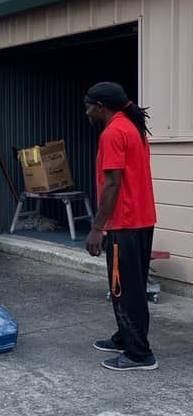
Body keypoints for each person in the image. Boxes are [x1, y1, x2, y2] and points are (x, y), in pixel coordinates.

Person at [84, 81, 158, 371]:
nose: (87, 113)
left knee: (125, 288)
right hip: (140, 219)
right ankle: (124, 337)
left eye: (89, 107)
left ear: (101, 106)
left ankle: (139, 354)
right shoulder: (131, 127)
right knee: (130, 285)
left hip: (124, 222)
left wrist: (97, 228)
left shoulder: (113, 132)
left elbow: (113, 183)